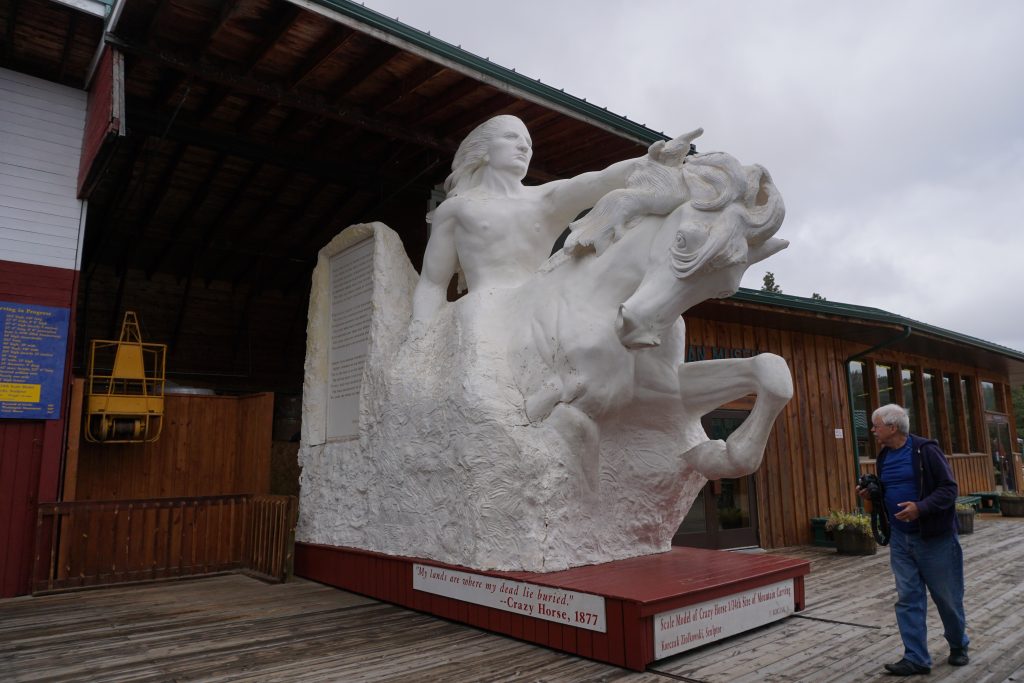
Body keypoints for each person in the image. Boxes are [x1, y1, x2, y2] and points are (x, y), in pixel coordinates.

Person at [407, 114, 684, 339]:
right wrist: (419, 335)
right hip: (483, 314)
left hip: (538, 312)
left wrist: (648, 162)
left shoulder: (544, 200)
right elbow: (432, 283)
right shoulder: (457, 209)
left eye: (528, 142)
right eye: (511, 137)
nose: (524, 146)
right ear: (484, 152)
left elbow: (599, 180)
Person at [858, 403, 969, 676]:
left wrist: (920, 508)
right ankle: (916, 657)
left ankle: (958, 645)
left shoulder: (925, 450)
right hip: (900, 539)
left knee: (947, 597)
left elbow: (949, 490)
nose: (872, 430)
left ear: (892, 427)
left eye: (876, 425)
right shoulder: (883, 456)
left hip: (935, 539)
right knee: (908, 598)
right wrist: (872, 496)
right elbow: (887, 493)